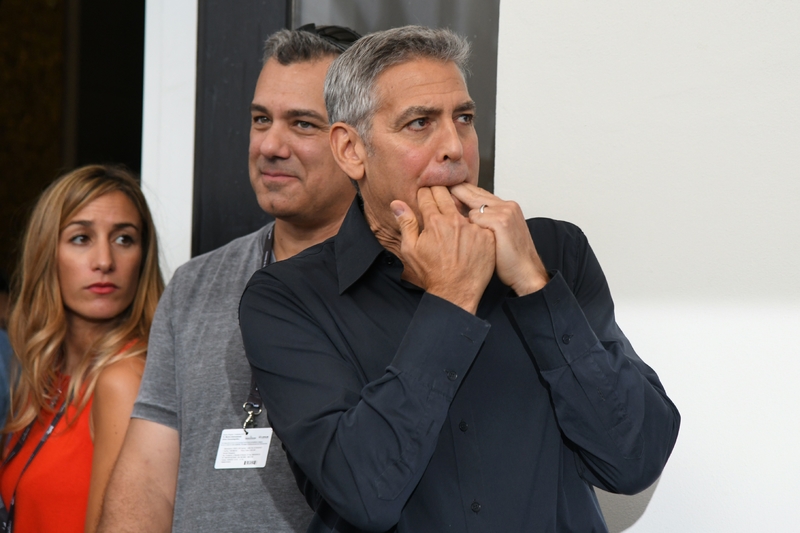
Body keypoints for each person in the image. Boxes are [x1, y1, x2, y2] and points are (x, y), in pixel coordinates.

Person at [239, 25, 681, 532]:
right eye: (420, 123)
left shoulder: (556, 253)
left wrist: (536, 287)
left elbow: (633, 460)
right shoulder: (285, 299)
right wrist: (451, 298)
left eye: (464, 119)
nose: (455, 146)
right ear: (351, 150)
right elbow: (363, 493)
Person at [98, 25, 360, 533]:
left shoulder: (405, 280)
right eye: (261, 119)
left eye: (302, 124)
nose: (270, 145)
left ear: (354, 142)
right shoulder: (195, 285)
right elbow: (148, 478)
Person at [0, 165, 163, 533]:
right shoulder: (46, 373)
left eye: (124, 239)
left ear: (143, 256)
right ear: (47, 253)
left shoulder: (122, 379)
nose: (104, 261)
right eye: (81, 238)